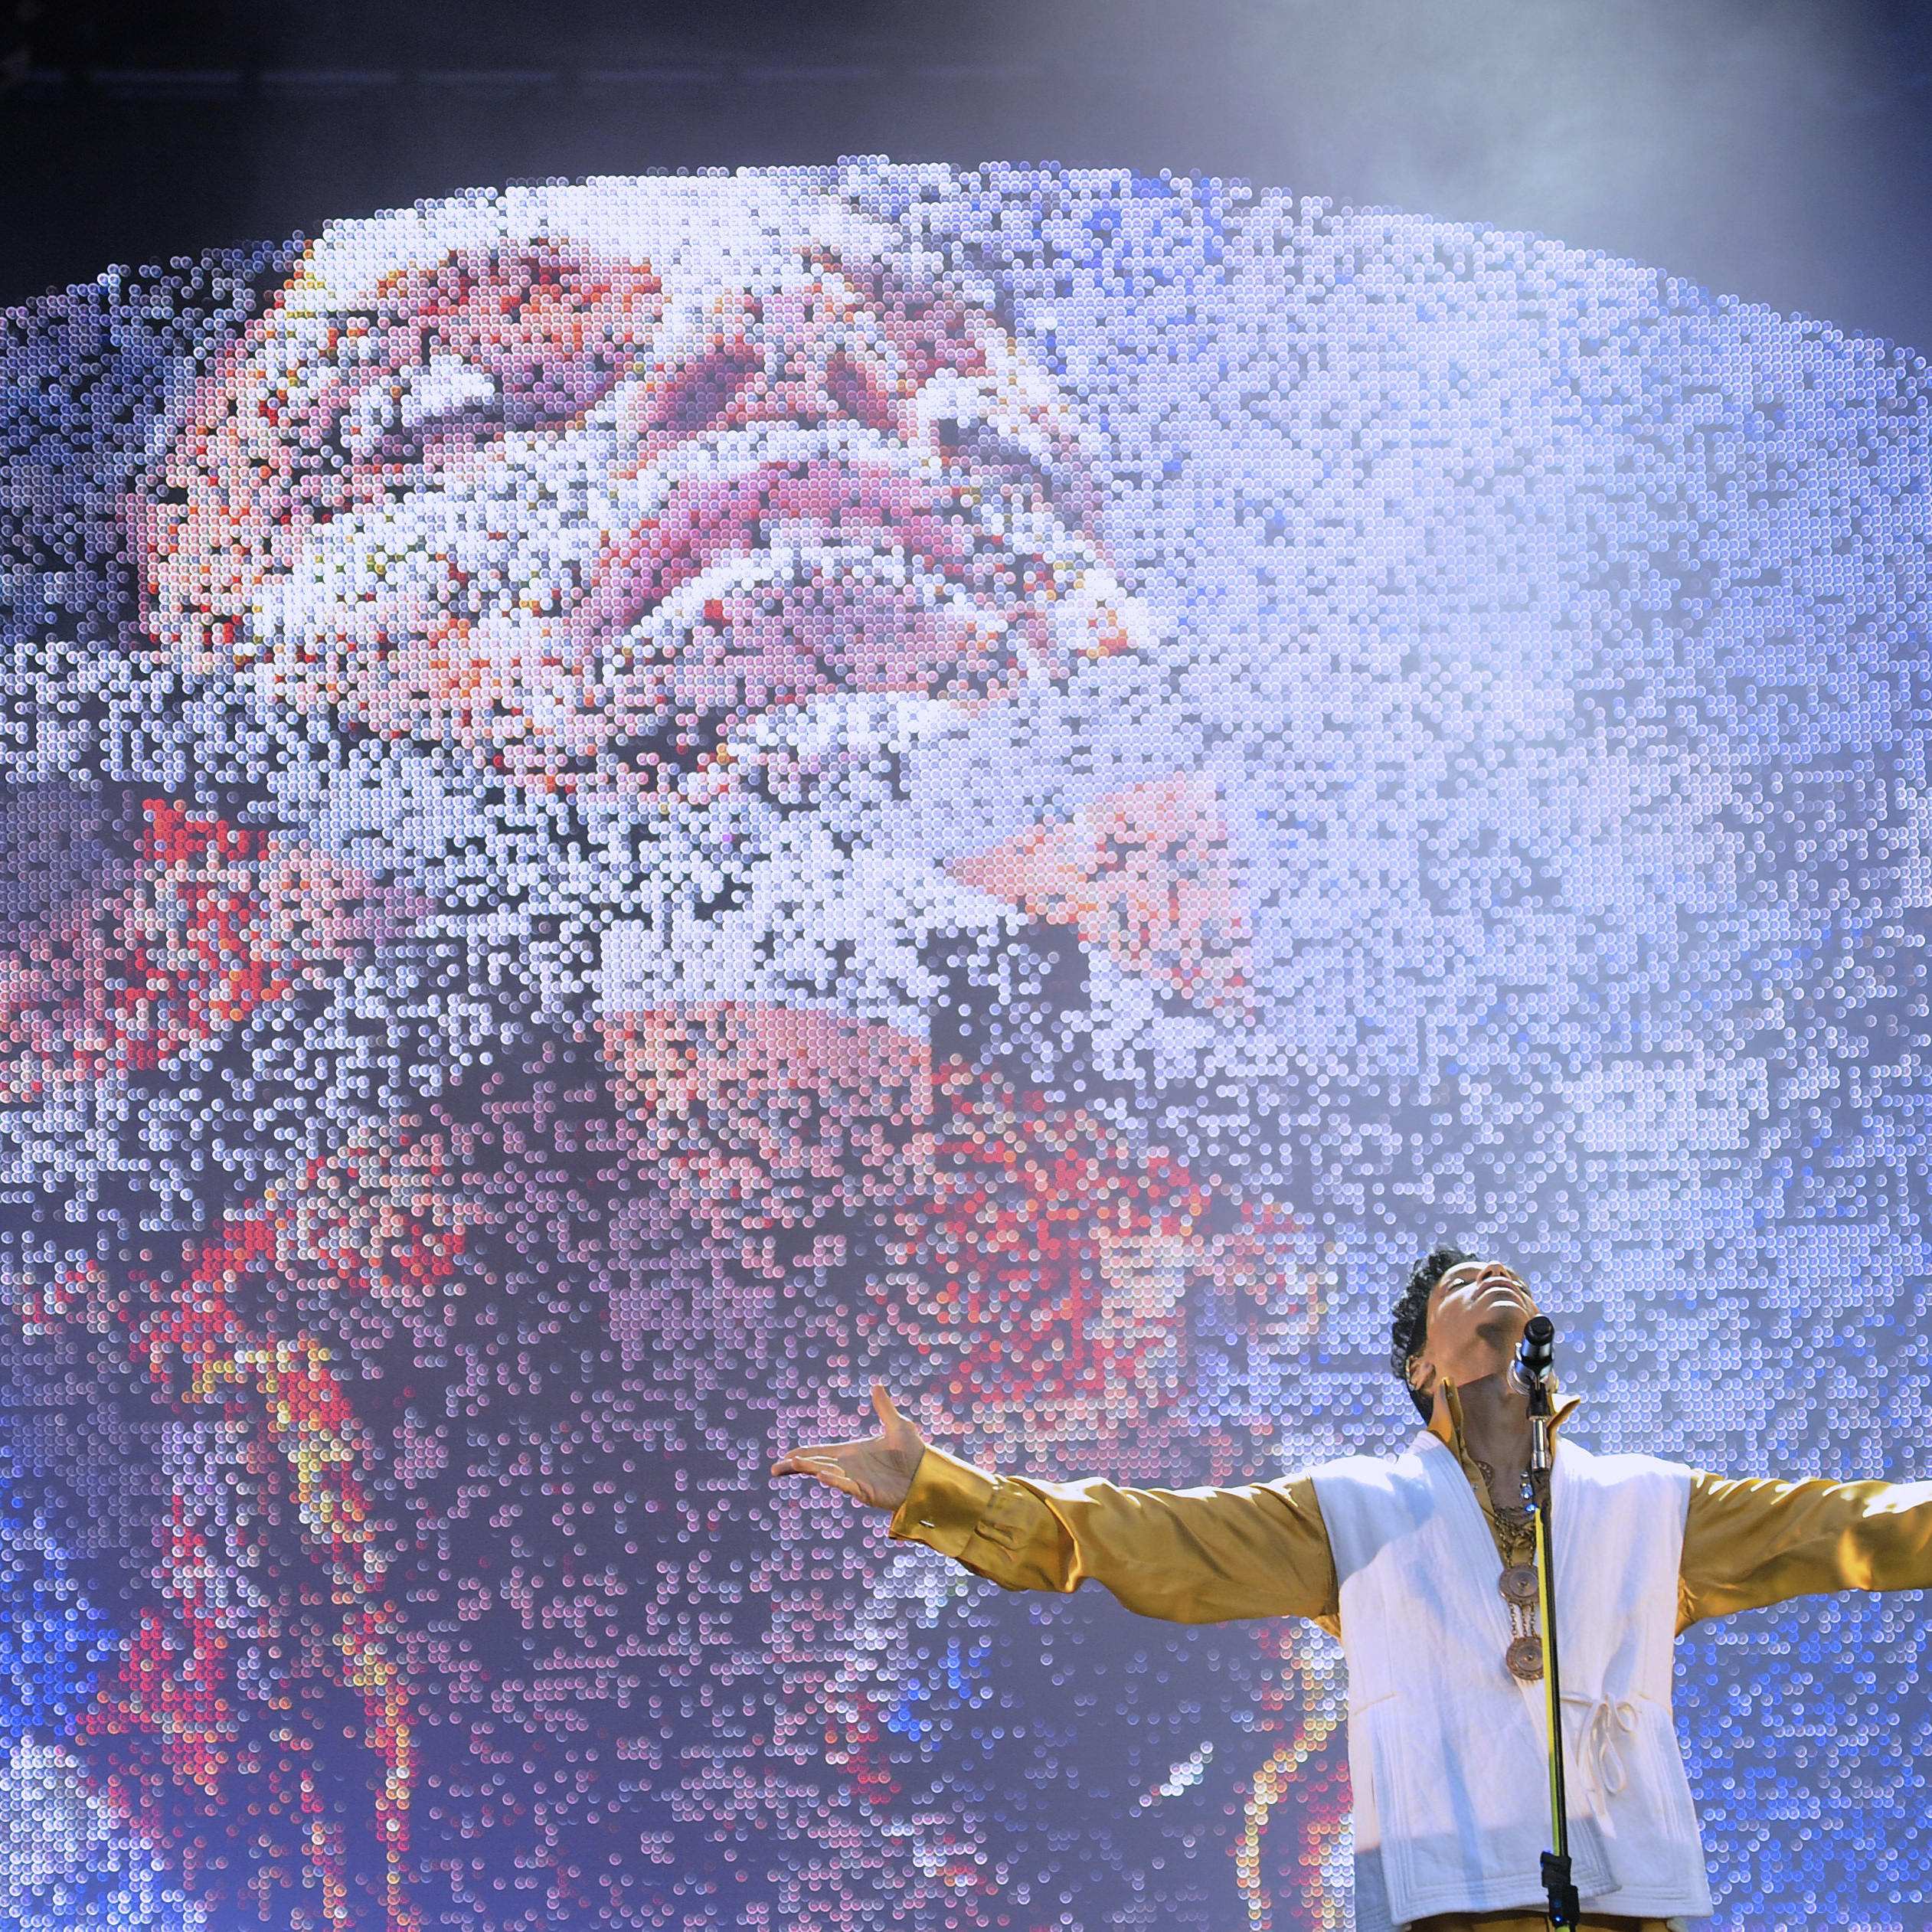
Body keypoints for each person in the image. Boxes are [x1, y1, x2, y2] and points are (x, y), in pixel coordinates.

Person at [775, 1241, 1932, 1932]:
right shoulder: (1356, 1512)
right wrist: (940, 1491)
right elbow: (1145, 1537)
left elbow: (1854, 1528)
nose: (1490, 1277)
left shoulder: (1648, 1505)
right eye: (1456, 1287)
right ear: (1422, 1366)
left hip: (1628, 1905)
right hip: (1446, 1907)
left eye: (1507, 1280)